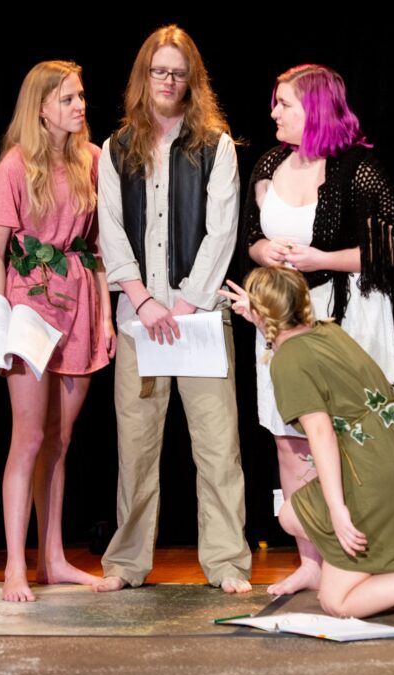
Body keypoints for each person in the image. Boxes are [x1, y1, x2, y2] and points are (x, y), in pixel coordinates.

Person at [221, 267, 394, 625]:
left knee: (337, 601)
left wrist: (339, 510)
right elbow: (284, 333)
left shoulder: (289, 360)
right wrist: (261, 316)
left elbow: (321, 434)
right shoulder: (327, 332)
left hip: (375, 474)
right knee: (292, 514)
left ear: (265, 313)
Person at [243, 64, 394, 595]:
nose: (274, 112)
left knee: (346, 436)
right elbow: (250, 235)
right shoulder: (270, 162)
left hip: (342, 317)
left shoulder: (357, 170)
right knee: (290, 440)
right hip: (282, 317)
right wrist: (261, 252)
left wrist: (322, 258)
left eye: (285, 103)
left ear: (315, 111)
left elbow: (389, 252)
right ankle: (311, 562)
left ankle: (359, 553)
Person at [95, 25, 251, 594]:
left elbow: (222, 229)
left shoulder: (216, 146)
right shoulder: (116, 149)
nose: (167, 80)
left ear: (191, 81)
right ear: (144, 76)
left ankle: (229, 564)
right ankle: (127, 563)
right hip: (140, 323)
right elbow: (110, 230)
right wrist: (142, 300)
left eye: (177, 72)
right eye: (159, 70)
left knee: (217, 447)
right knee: (135, 451)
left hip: (201, 320)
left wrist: (182, 303)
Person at [0, 60, 116, 602]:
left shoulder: (94, 160)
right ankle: (16, 563)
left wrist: (106, 316)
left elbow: (104, 250)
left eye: (81, 96)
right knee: (30, 437)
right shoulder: (15, 166)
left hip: (81, 299)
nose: (79, 106)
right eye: (67, 99)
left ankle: (54, 558)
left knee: (60, 441)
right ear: (40, 107)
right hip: (29, 303)